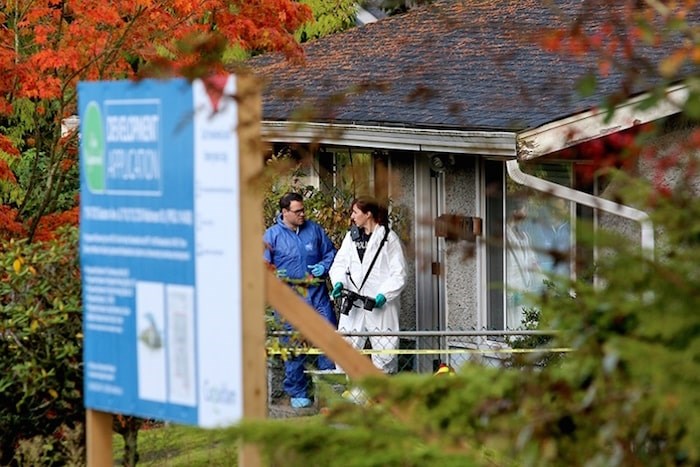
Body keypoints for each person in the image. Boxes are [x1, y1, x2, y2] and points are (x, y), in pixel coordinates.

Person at [263, 192, 337, 409]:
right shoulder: (272, 236)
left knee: (327, 342)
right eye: (297, 211)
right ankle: (298, 392)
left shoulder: (314, 230)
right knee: (294, 346)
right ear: (284, 212)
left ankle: (330, 390)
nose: (303, 214)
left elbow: (331, 253)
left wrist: (324, 265)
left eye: (303, 210)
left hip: (317, 296)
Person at [329, 196, 407, 374]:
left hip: (378, 303)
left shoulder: (389, 239)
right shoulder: (351, 238)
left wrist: (384, 295)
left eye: (355, 212)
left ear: (368, 214)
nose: (352, 217)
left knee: (384, 351)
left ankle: (381, 394)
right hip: (354, 302)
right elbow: (339, 263)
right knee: (346, 348)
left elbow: (399, 273)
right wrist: (339, 282)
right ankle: (352, 393)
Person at [505, 199, 541, 328]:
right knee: (512, 324)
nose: (526, 214)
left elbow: (533, 262)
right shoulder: (504, 234)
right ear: (514, 211)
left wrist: (546, 282)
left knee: (524, 323)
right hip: (510, 288)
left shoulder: (524, 236)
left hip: (525, 287)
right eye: (524, 209)